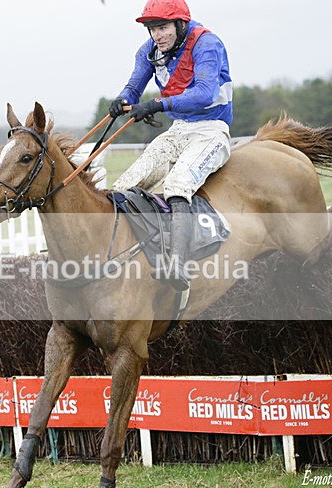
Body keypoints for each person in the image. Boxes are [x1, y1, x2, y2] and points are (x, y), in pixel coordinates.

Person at [109, 0, 233, 291]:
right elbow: (134, 87)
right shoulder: (149, 51)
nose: (157, 36)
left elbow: (203, 95)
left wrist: (156, 105)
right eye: (152, 29)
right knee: (123, 185)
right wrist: (123, 98)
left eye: (162, 28)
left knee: (177, 184)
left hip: (211, 130)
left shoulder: (207, 44)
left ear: (181, 24)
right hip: (178, 130)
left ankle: (178, 263)